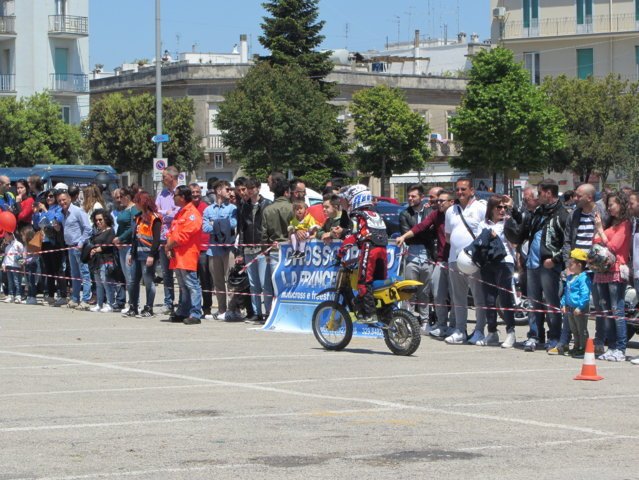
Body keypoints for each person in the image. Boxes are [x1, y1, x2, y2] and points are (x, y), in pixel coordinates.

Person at [505, 179, 568, 352]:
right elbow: (524, 228)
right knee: (533, 302)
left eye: (539, 193)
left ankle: (554, 336)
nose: (537, 196)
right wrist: (513, 209)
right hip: (532, 264)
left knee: (551, 302)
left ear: (548, 193)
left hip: (548, 266)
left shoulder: (562, 214)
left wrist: (555, 260)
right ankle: (534, 335)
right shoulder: (538, 212)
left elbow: (568, 243)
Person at [396, 190, 454, 338]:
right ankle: (440, 324)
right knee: (436, 293)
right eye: (437, 201)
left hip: (451, 258)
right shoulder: (431, 214)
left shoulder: (455, 214)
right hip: (439, 259)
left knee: (453, 296)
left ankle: (456, 327)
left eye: (442, 201)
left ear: (451, 202)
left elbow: (429, 234)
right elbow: (420, 227)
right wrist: (404, 236)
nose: (438, 203)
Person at [562, 183, 608, 355]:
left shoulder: (600, 213)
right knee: (572, 304)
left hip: (596, 268)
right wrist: (569, 264)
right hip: (577, 268)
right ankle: (575, 342)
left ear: (589, 197)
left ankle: (599, 341)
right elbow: (568, 240)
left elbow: (606, 236)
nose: (575, 198)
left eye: (578, 195)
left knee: (598, 305)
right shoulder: (574, 214)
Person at [443, 178, 487, 344]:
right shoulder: (450, 211)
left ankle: (479, 330)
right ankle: (460, 330)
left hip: (474, 261)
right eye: (458, 189)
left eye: (463, 189)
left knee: (478, 297)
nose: (460, 192)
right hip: (455, 259)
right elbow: (448, 236)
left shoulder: (480, 208)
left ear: (472, 190)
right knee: (458, 297)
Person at [337, 185, 388, 322]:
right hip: (383, 249)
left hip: (369, 248)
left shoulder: (357, 215)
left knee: (364, 282)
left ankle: (369, 314)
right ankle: (386, 312)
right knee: (380, 282)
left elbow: (352, 236)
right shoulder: (375, 214)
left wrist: (341, 253)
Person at [592, 190, 631, 362]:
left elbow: (614, 247)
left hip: (616, 270)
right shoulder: (609, 223)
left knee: (617, 310)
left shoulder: (625, 224)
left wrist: (600, 231)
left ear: (621, 204)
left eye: (612, 204)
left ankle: (621, 348)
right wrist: (601, 232)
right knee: (607, 311)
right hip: (602, 271)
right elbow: (596, 242)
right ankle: (612, 346)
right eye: (608, 205)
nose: (609, 208)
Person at [476, 195, 517, 348]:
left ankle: (511, 332)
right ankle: (492, 331)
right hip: (488, 262)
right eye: (498, 207)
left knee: (505, 298)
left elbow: (514, 242)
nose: (501, 210)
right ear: (491, 209)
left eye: (504, 207)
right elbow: (480, 242)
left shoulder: (508, 222)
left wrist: (510, 213)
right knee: (489, 299)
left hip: (505, 262)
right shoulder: (482, 224)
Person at [236, 177, 273, 325]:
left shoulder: (266, 205)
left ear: (258, 188)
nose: (250, 191)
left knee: (265, 283)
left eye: (252, 188)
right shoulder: (244, 206)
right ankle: (257, 313)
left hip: (262, 248)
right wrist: (240, 250)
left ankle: (268, 312)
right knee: (253, 283)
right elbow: (242, 230)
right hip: (248, 248)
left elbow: (267, 227)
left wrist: (267, 247)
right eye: (248, 188)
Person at [165, 185, 203, 325]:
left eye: (175, 195)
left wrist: (169, 245)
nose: (173, 197)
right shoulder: (180, 213)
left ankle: (195, 313)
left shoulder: (192, 213)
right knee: (182, 286)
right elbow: (172, 231)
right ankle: (183, 311)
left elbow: (184, 235)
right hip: (177, 255)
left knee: (192, 285)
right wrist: (169, 246)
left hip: (187, 255)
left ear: (182, 197)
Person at [399, 184, 436, 324]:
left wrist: (416, 232)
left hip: (427, 256)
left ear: (422, 197)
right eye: (409, 196)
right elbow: (407, 235)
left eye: (413, 196)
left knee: (425, 292)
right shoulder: (405, 214)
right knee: (409, 291)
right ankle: (407, 320)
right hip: (412, 256)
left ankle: (425, 321)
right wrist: (423, 231)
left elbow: (432, 234)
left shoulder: (430, 212)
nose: (410, 198)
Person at [202, 180, 237, 321]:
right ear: (218, 191)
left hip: (228, 249)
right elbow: (205, 228)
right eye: (227, 189)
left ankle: (233, 309)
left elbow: (233, 224)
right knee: (218, 282)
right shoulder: (208, 210)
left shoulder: (232, 208)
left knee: (231, 280)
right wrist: (222, 224)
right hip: (213, 250)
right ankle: (222, 309)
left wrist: (214, 224)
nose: (230, 192)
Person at [126, 191, 162, 318]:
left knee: (148, 282)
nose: (135, 204)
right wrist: (131, 253)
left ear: (143, 202)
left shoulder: (155, 218)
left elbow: (157, 240)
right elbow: (135, 237)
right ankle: (133, 306)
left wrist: (152, 255)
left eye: (137, 201)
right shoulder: (138, 217)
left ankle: (149, 308)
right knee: (132, 281)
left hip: (148, 255)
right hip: (137, 254)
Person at [57, 190, 92, 310]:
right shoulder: (63, 214)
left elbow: (88, 228)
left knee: (85, 273)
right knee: (74, 274)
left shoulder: (78, 211)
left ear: (69, 199)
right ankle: (75, 298)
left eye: (64, 200)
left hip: (79, 246)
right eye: (60, 201)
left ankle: (86, 299)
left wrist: (81, 243)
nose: (62, 202)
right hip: (70, 247)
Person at [32, 189, 67, 306]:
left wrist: (46, 210)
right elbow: (37, 224)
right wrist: (37, 212)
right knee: (48, 270)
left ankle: (63, 295)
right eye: (47, 196)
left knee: (58, 269)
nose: (48, 198)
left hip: (55, 242)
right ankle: (51, 295)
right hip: (44, 242)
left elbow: (55, 221)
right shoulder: (43, 210)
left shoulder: (58, 209)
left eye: (51, 196)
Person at [155, 166, 181, 314]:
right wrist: (167, 213)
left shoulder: (181, 192)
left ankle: (183, 302)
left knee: (180, 273)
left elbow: (178, 213)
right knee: (166, 273)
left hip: (177, 238)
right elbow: (156, 212)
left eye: (164, 176)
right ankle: (168, 302)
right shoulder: (162, 194)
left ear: (172, 177)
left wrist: (165, 214)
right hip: (163, 237)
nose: (162, 179)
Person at [112, 186, 139, 313]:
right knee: (126, 277)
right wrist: (117, 238)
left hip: (129, 246)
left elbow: (133, 228)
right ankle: (131, 302)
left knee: (130, 276)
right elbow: (121, 227)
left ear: (127, 197)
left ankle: (135, 303)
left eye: (121, 197)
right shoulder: (124, 209)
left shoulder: (133, 209)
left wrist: (121, 238)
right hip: (121, 246)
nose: (119, 200)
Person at [561, 249, 591, 357]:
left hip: (579, 308)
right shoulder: (570, 277)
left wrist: (580, 306)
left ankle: (583, 347)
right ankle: (576, 346)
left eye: (571, 263)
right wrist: (563, 304)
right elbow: (566, 292)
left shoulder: (583, 278)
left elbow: (585, 294)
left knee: (581, 328)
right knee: (574, 328)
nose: (569, 265)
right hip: (570, 308)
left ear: (579, 264)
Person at [190, 182, 213, 317]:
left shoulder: (206, 208)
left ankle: (207, 307)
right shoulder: (186, 209)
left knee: (205, 280)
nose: (195, 194)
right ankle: (194, 307)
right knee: (192, 281)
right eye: (193, 192)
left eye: (197, 192)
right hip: (190, 250)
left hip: (204, 249)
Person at [86, 210, 116, 313]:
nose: (98, 222)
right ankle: (99, 304)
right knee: (98, 284)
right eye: (96, 220)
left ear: (106, 219)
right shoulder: (97, 232)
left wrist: (99, 249)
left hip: (107, 260)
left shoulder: (110, 231)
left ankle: (110, 303)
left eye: (100, 220)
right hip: (96, 261)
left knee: (106, 283)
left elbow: (109, 244)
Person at [262, 174, 294, 269]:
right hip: (290, 249)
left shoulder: (267, 210)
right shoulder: (293, 208)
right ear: (286, 192)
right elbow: (298, 228)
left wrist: (265, 252)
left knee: (275, 281)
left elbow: (264, 235)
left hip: (274, 250)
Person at [1, 229, 24, 303]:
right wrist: (3, 264)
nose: (5, 237)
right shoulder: (7, 247)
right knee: (10, 282)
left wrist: (21, 263)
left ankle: (18, 295)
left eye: (6, 235)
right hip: (8, 266)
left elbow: (23, 254)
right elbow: (6, 257)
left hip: (16, 266)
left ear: (11, 235)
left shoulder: (18, 244)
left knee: (17, 281)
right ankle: (11, 295)